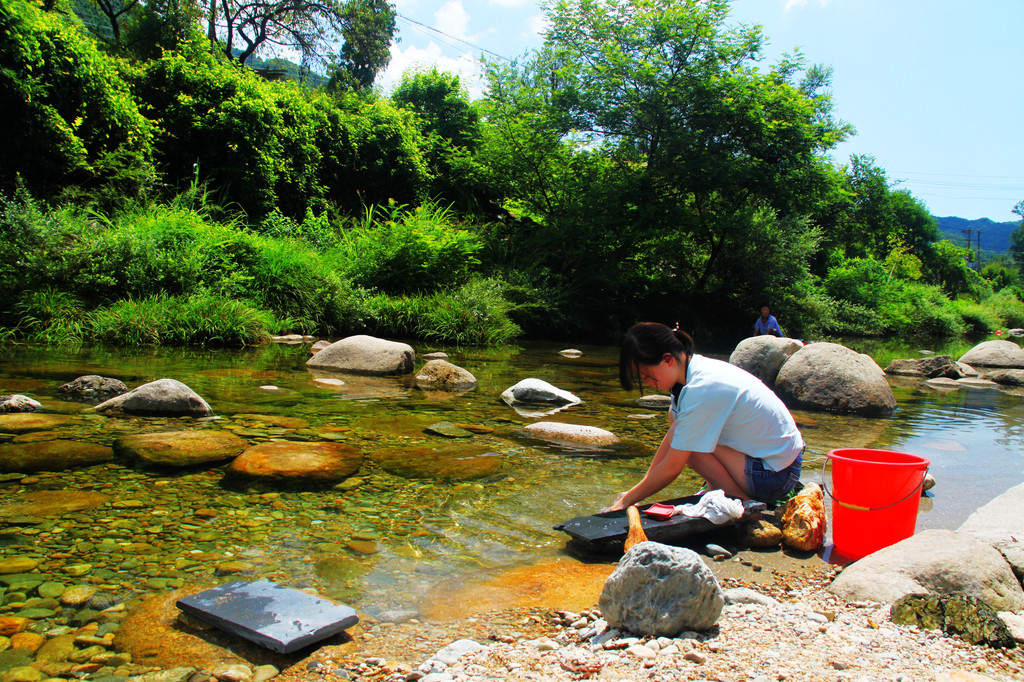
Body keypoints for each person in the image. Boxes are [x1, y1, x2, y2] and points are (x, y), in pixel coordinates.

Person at [609, 322, 803, 511]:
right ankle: (718, 488)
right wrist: (637, 492)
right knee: (680, 428)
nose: (647, 383)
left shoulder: (702, 388)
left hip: (776, 475)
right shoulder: (690, 372)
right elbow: (673, 438)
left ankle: (744, 504)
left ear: (668, 360)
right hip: (775, 463)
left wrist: (626, 501)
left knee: (689, 444)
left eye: (646, 376)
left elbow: (672, 467)